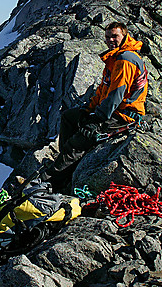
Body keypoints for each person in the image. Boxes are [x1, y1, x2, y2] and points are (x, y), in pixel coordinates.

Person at [45, 21, 148, 185]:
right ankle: (66, 165)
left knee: (78, 141)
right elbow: (103, 90)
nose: (111, 40)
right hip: (112, 111)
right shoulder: (114, 58)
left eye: (115, 36)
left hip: (122, 116)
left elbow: (116, 95)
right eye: (108, 37)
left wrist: (98, 119)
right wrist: (88, 108)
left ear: (125, 36)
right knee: (69, 117)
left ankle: (53, 179)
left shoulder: (125, 59)